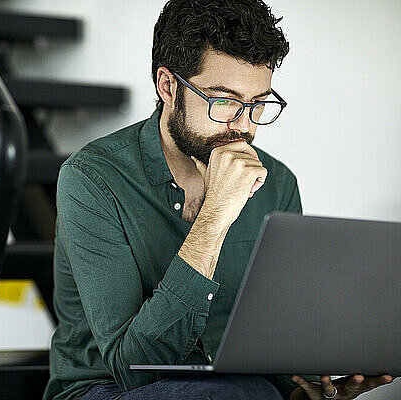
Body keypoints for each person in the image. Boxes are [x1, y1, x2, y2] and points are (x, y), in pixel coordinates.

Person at [43, 0, 395, 399]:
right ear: (168, 86)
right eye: (224, 100)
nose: (244, 125)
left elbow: (271, 345)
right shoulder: (91, 179)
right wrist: (217, 213)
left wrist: (302, 392)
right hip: (106, 389)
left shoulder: (276, 183)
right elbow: (132, 368)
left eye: (258, 103)